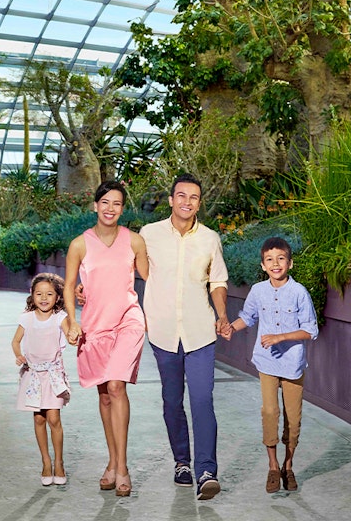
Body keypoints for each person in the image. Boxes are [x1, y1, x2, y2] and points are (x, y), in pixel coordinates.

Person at [139, 173, 230, 501]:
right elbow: (129, 269)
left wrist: (221, 315)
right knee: (172, 400)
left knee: (202, 399)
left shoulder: (209, 239)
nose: (187, 202)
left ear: (199, 203)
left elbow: (217, 282)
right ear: (171, 200)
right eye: (181, 195)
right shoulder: (149, 235)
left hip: (200, 331)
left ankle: (207, 470)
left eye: (193, 197)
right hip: (162, 331)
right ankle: (182, 462)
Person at [63, 180, 148, 497]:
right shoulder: (79, 245)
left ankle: (122, 467)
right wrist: (72, 321)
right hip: (95, 325)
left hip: (129, 319)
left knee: (116, 385)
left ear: (122, 209)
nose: (111, 208)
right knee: (103, 394)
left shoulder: (135, 241)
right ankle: (111, 463)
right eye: (106, 202)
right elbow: (70, 286)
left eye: (117, 204)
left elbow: (151, 279)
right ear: (95, 206)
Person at [220, 237, 318, 493]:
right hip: (266, 363)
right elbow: (248, 317)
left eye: (281, 259)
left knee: (293, 421)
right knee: (270, 413)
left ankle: (288, 465)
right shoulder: (258, 290)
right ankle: (273, 466)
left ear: (290, 263)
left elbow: (311, 330)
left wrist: (282, 337)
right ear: (263, 265)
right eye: (269, 260)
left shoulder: (299, 292)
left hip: (293, 364)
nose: (276, 264)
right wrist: (231, 327)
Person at [13, 272, 73, 486]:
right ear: (32, 295)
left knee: (54, 418)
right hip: (32, 374)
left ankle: (59, 463)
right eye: (39, 293)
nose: (44, 298)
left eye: (49, 294)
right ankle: (46, 462)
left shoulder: (60, 318)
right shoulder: (26, 318)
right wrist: (18, 354)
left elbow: (69, 334)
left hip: (53, 375)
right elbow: (16, 341)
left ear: (57, 297)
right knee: (39, 418)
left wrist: (75, 335)